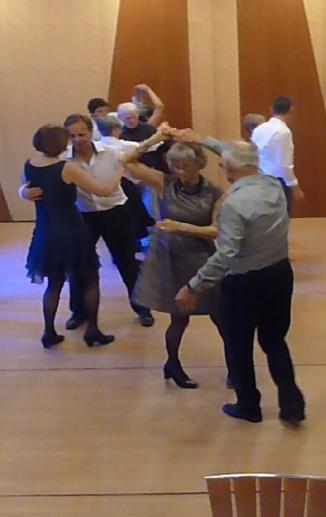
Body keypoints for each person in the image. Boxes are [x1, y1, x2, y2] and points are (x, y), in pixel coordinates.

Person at [174, 139, 305, 425]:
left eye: (223, 164)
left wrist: (192, 286)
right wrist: (199, 138)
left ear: (229, 168)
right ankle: (292, 404)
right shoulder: (274, 185)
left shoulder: (234, 204)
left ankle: (248, 405)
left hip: (245, 284)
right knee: (274, 341)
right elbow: (238, 155)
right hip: (279, 274)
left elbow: (226, 255)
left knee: (238, 345)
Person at [21, 114, 154, 328]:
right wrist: (23, 193)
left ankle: (142, 308)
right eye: (72, 135)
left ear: (92, 132)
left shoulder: (112, 152)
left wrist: (158, 136)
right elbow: (28, 182)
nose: (77, 139)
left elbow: (141, 149)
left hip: (115, 211)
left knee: (126, 262)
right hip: (83, 217)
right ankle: (78, 312)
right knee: (78, 267)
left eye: (81, 134)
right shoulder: (61, 158)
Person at [124, 136, 225, 389]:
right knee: (179, 318)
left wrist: (180, 226)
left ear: (199, 165)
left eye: (185, 166)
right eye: (175, 165)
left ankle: (235, 367)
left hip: (201, 258)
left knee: (221, 316)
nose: (179, 171)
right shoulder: (165, 182)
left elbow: (215, 231)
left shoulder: (215, 192)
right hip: (170, 258)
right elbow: (126, 161)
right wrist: (157, 138)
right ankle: (172, 363)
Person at [24, 125, 120, 348]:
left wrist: (22, 193)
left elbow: (25, 188)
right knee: (90, 279)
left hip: (45, 230)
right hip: (71, 230)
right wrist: (120, 171)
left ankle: (49, 332)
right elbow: (103, 191)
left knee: (54, 284)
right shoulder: (66, 167)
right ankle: (93, 331)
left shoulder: (29, 165)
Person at [250, 96, 305, 213]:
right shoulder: (283, 132)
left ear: (272, 109)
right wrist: (294, 187)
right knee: (281, 217)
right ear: (291, 110)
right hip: (277, 182)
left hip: (259, 179)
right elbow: (284, 164)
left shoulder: (259, 129)